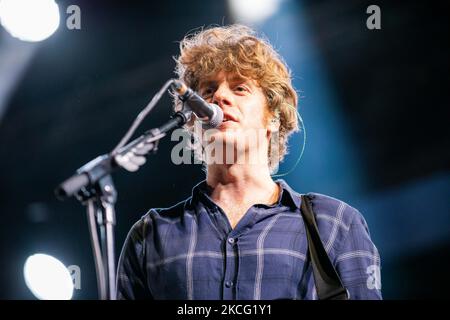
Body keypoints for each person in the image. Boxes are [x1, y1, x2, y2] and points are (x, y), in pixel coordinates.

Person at [116, 24, 382, 300]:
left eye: (239, 88)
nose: (219, 97)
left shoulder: (335, 223)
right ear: (193, 122)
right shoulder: (152, 235)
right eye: (208, 91)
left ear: (273, 118)